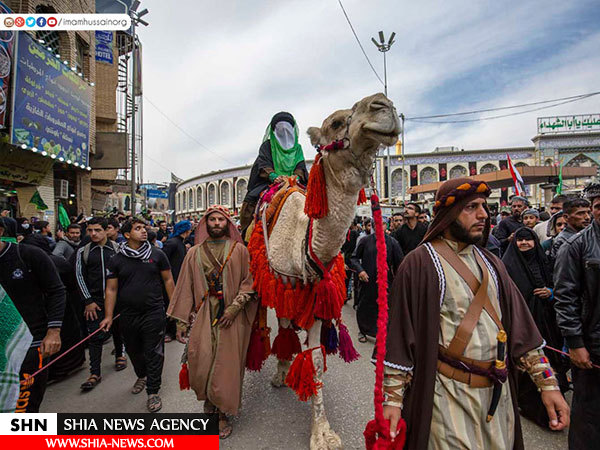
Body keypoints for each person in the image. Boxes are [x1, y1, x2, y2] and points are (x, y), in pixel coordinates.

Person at [381, 178, 569, 449]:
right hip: (447, 397)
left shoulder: (492, 262)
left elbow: (521, 332)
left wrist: (548, 385)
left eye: (484, 206)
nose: (483, 214)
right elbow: (400, 338)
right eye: (471, 207)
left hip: (498, 397)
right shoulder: (420, 263)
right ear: (447, 214)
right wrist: (393, 401)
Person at [168, 206, 258, 439]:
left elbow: (250, 283)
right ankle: (209, 403)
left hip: (232, 318)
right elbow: (184, 288)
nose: (217, 223)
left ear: (227, 224)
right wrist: (180, 323)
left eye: (221, 219)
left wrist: (234, 308)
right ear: (205, 224)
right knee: (201, 361)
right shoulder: (193, 253)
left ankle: (220, 413)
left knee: (226, 366)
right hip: (202, 316)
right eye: (213, 220)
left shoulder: (240, 251)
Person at [100, 219, 175, 412]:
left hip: (153, 312)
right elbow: (111, 289)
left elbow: (168, 280)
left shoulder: (157, 255)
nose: (144, 231)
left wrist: (174, 307)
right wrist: (108, 316)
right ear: (127, 235)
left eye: (144, 228)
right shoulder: (116, 259)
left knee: (154, 351)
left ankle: (153, 391)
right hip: (127, 314)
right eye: (138, 229)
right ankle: (141, 375)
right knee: (134, 350)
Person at [502, 227, 570, 427]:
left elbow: (560, 285)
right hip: (521, 327)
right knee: (529, 369)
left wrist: (550, 292)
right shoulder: (507, 265)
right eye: (520, 240)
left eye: (528, 240)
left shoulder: (544, 261)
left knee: (551, 365)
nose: (524, 243)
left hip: (547, 323)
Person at [0, 218, 65, 412]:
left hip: (29, 345)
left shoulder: (28, 255)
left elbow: (57, 290)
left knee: (22, 411)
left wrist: (53, 331)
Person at [554, 183, 600, 449]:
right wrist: (575, 343)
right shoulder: (575, 246)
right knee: (590, 416)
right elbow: (565, 297)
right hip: (592, 348)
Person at [74, 217, 124, 390]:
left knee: (119, 329)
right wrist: (88, 301)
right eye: (90, 230)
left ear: (106, 231)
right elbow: (79, 277)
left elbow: (124, 274)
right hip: (94, 303)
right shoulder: (84, 252)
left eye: (97, 230)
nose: (93, 234)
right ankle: (94, 372)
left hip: (117, 300)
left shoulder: (118, 249)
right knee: (94, 336)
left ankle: (120, 355)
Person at [240, 112, 308, 238]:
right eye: (280, 126)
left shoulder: (298, 148)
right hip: (270, 181)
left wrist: (295, 178)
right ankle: (248, 234)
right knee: (252, 199)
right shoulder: (267, 145)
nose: (284, 129)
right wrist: (274, 177)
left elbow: (300, 166)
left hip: (294, 182)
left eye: (287, 126)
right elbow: (263, 164)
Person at [351, 230, 403, 342]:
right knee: (365, 306)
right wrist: (361, 271)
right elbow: (354, 258)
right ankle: (363, 331)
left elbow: (400, 263)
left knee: (384, 307)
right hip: (367, 280)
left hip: (386, 281)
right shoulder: (365, 241)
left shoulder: (392, 242)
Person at [162, 220, 193, 342]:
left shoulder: (180, 243)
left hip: (178, 279)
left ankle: (176, 331)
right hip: (171, 280)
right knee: (170, 305)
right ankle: (169, 332)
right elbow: (163, 261)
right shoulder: (172, 243)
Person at [550, 198, 591, 262]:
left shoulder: (590, 234)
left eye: (588, 212)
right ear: (566, 217)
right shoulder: (563, 240)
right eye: (580, 213)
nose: (587, 217)